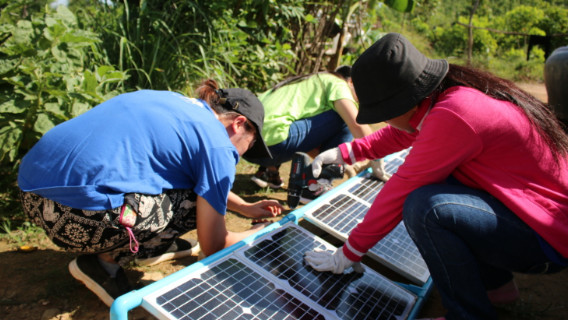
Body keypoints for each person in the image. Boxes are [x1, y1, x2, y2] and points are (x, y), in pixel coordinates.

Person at [304, 33, 568, 320]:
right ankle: (497, 288)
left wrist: (349, 252)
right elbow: (403, 132)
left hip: (546, 237)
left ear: (402, 103)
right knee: (442, 189)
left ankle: (467, 315)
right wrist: (347, 152)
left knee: (426, 208)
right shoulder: (449, 98)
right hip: (533, 218)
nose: (384, 119)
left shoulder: (457, 114)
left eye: (382, 112)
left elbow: (401, 189)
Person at [17, 80, 284, 307]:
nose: (242, 155)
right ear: (238, 124)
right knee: (194, 205)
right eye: (249, 146)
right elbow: (213, 244)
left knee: (187, 187)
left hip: (33, 195)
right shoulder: (218, 145)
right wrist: (261, 232)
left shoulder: (171, 101)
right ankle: (105, 263)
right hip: (76, 217)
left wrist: (245, 208)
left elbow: (189, 174)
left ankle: (149, 245)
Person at [244, 66, 388, 203]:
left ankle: (269, 172)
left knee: (285, 119)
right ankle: (314, 186)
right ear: (350, 81)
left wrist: (341, 161)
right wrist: (377, 159)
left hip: (248, 147)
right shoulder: (338, 83)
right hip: (274, 143)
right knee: (346, 117)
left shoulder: (307, 82)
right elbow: (357, 125)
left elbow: (307, 139)